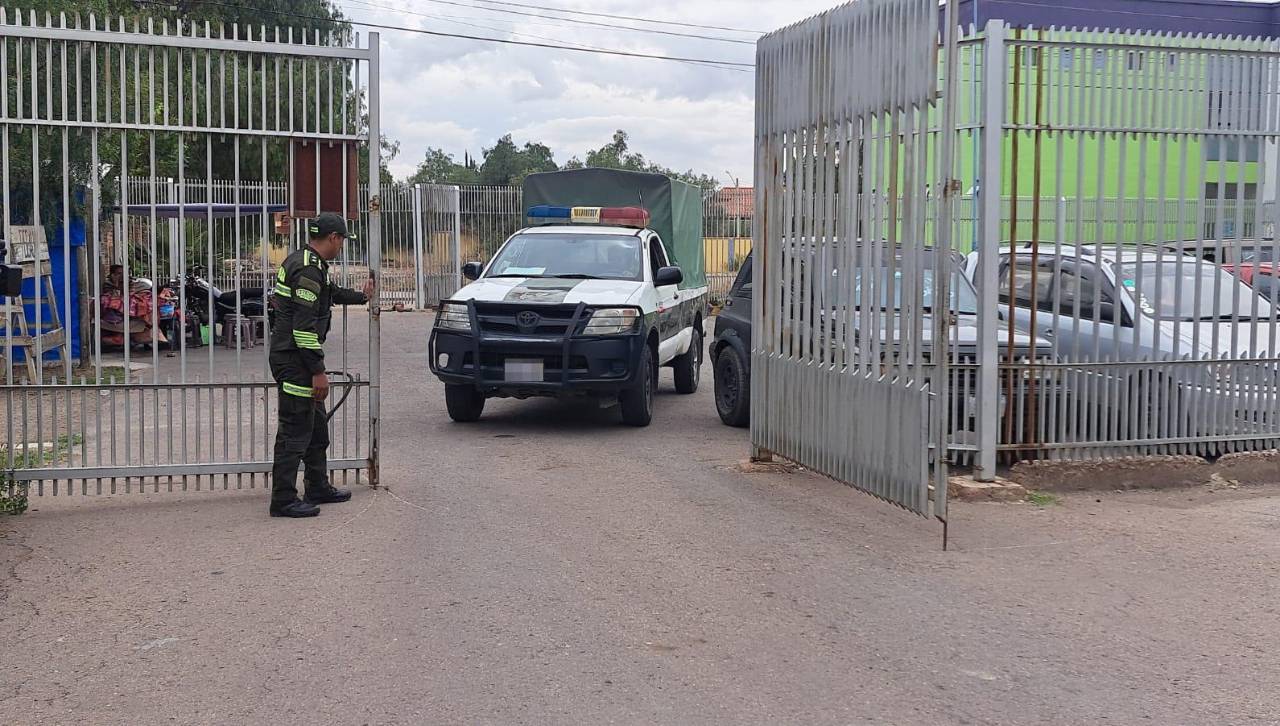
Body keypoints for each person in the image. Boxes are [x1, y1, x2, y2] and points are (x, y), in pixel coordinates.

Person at [268, 213, 375, 518]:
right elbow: (303, 328)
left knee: (316, 429)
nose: (342, 247)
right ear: (333, 238)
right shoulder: (307, 270)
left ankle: (317, 486)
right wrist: (318, 371)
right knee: (294, 431)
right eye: (342, 240)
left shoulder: (311, 264)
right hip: (295, 360)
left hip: (298, 357)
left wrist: (360, 296)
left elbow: (330, 294)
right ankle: (283, 499)